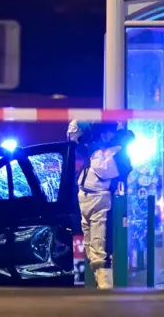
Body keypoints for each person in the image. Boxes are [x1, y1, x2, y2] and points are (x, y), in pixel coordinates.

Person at [67, 120, 133, 289]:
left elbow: (104, 170)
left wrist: (95, 148)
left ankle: (105, 284)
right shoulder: (97, 146)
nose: (104, 135)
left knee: (100, 243)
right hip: (84, 197)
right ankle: (99, 281)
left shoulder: (116, 151)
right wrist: (83, 121)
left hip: (100, 198)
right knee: (90, 243)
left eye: (107, 132)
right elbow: (72, 134)